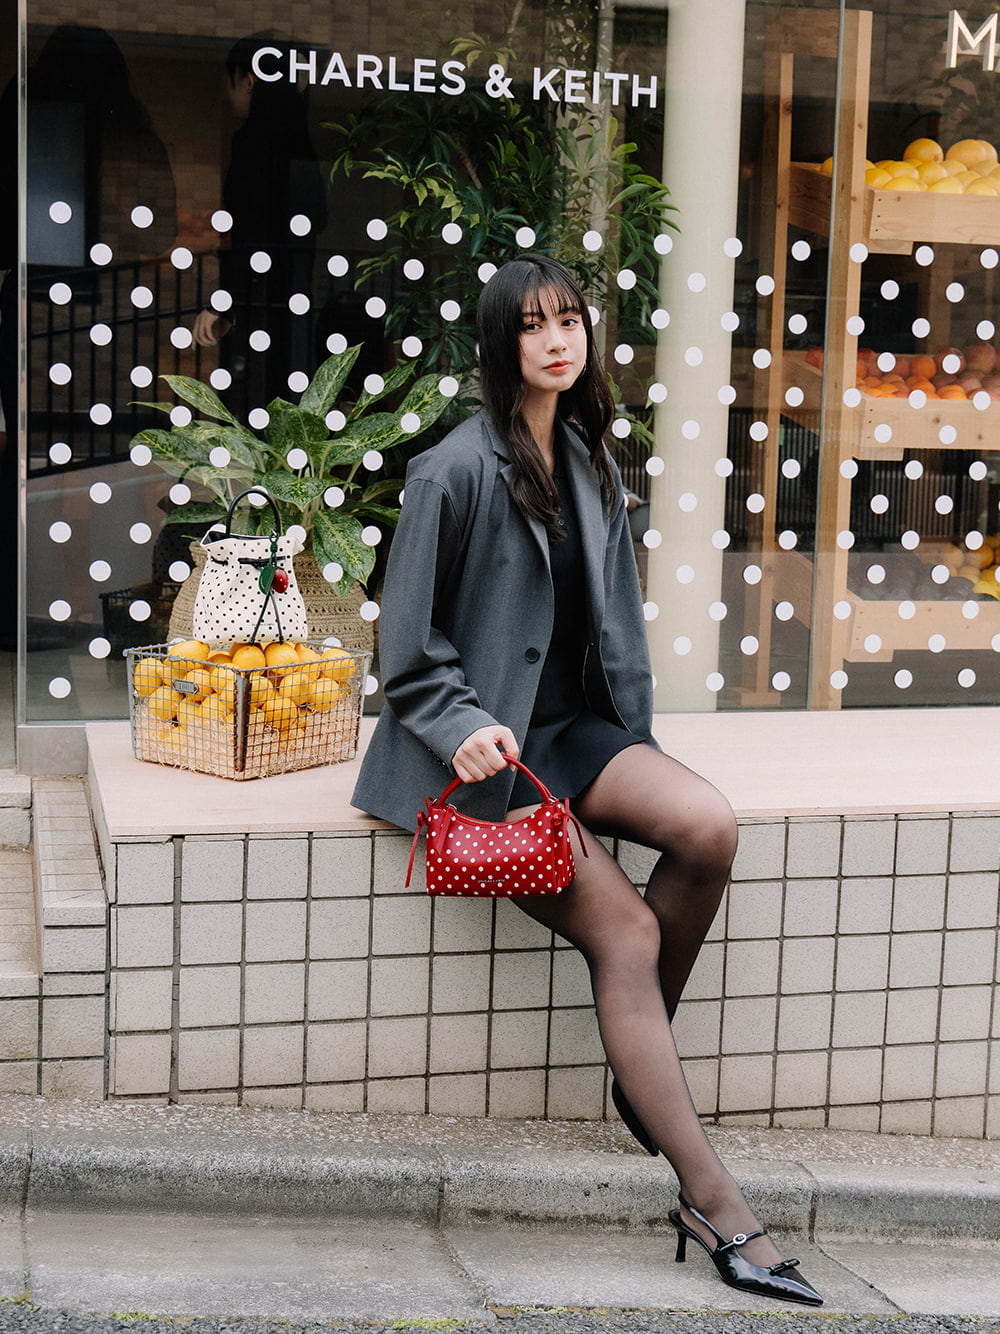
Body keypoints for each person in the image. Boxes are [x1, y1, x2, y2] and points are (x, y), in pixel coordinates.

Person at [352, 254, 822, 1308]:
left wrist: (636, 740)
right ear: (499, 343)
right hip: (492, 757)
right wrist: (461, 725)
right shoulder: (452, 468)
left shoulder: (590, 456)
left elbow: (616, 634)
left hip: (579, 730)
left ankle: (636, 1063)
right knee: (628, 934)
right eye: (532, 326)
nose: (556, 340)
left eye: (569, 319)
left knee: (706, 824)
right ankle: (716, 1202)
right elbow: (405, 646)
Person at [192, 35, 327, 413]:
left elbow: (249, 233)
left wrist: (224, 300)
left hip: (257, 300)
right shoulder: (300, 142)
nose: (227, 92)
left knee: (250, 399)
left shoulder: (251, 143)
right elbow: (318, 217)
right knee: (284, 398)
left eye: (230, 81)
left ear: (249, 80)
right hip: (293, 297)